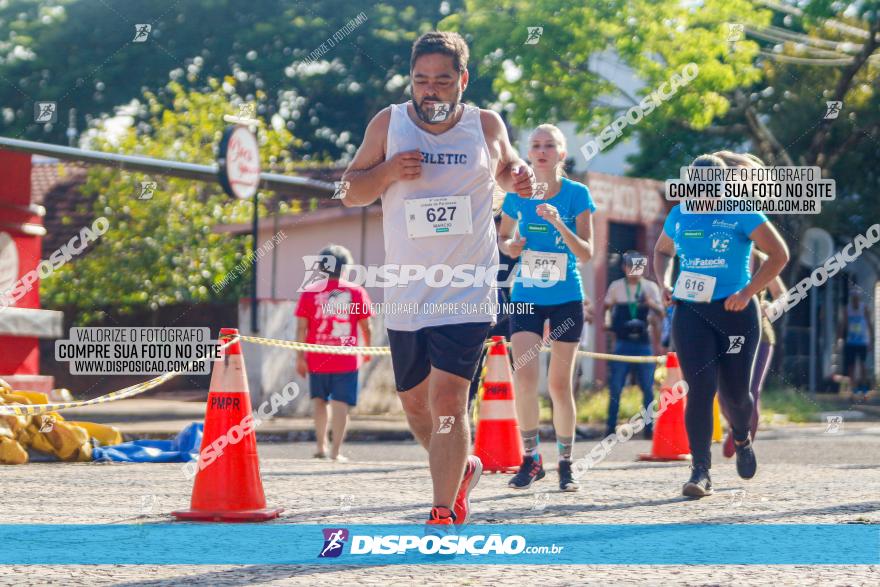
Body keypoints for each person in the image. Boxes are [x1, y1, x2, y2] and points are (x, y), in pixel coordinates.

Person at [339, 31, 536, 525]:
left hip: (468, 286)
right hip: (408, 288)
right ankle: (460, 466)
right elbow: (349, 192)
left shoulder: (485, 125)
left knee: (449, 399)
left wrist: (520, 176)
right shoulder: (390, 123)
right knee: (416, 406)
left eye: (442, 80)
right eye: (421, 80)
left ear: (462, 81)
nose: (430, 90)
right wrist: (386, 172)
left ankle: (443, 509)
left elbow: (510, 168)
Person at [653, 153, 789, 498]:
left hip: (736, 313)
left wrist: (747, 293)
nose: (703, 195)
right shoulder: (680, 213)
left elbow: (779, 254)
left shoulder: (742, 212)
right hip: (690, 312)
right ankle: (700, 471)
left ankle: (742, 438)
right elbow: (663, 252)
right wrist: (665, 284)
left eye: (710, 188)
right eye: (697, 188)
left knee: (737, 395)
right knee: (700, 391)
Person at [498, 123, 594, 492]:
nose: (541, 151)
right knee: (523, 379)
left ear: (561, 154)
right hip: (526, 295)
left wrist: (558, 223)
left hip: (566, 296)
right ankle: (530, 458)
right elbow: (503, 238)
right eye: (535, 145)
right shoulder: (516, 194)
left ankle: (566, 464)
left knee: (558, 383)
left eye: (549, 145)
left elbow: (586, 253)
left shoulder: (577, 194)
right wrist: (512, 246)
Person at [710, 151, 788, 458]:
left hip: (757, 329)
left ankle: (742, 444)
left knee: (748, 392)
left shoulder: (760, 253)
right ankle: (738, 430)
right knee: (721, 393)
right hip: (717, 322)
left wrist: (769, 307)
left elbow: (781, 293)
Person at [294, 244, 373, 462]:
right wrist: (367, 349)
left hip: (316, 356)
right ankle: (336, 452)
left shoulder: (310, 292)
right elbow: (366, 326)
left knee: (319, 401)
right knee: (341, 404)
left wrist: (300, 357)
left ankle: (321, 447)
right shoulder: (356, 292)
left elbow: (302, 328)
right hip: (346, 359)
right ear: (346, 267)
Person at [603, 250, 664, 440]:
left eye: (639, 267)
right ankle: (610, 426)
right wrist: (608, 326)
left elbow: (662, 313)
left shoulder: (650, 287)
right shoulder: (616, 286)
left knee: (647, 387)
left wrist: (650, 303)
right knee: (616, 386)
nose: (636, 271)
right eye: (632, 266)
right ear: (624, 267)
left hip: (643, 343)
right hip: (621, 343)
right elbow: (605, 309)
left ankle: (649, 427)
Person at [839, 288, 874, 396]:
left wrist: (871, 340)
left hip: (862, 341)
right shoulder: (847, 309)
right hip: (851, 341)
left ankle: (863, 388)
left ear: (859, 298)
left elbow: (869, 324)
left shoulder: (864, 308)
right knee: (851, 366)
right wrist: (840, 338)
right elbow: (843, 324)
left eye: (857, 298)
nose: (855, 300)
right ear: (851, 299)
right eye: (853, 298)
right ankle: (853, 389)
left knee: (863, 365)